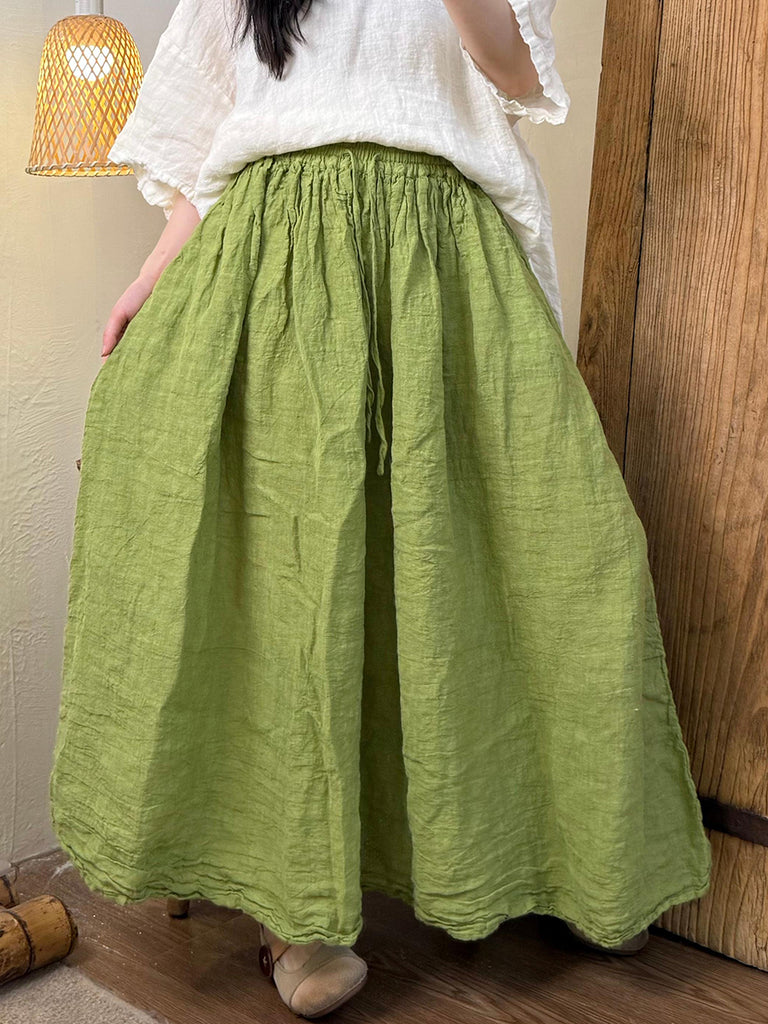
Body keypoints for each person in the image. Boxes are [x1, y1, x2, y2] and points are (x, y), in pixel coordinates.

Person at [49, 0, 712, 1018]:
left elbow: (515, 75)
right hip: (271, 263)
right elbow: (207, 146)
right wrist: (149, 275)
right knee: (293, 581)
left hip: (445, 264)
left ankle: (585, 857)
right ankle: (295, 915)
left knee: (559, 552)